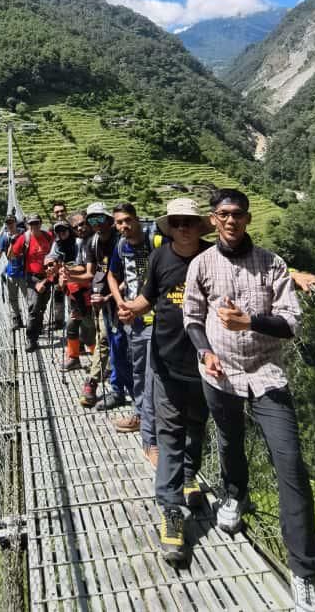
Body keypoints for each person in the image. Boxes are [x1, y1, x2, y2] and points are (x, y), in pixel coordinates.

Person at [183, 188, 315, 612]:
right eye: (224, 214)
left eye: (238, 214)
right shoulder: (201, 265)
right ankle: (235, 493)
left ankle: (303, 574)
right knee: (229, 441)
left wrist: (249, 321)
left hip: (266, 376)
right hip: (220, 374)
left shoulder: (273, 264)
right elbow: (192, 318)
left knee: (291, 465)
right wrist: (205, 351)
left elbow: (291, 322)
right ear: (213, 219)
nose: (231, 221)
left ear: (247, 219)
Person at [118, 198, 212, 566]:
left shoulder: (214, 257)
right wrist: (131, 309)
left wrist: (292, 275)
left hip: (206, 365)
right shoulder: (159, 258)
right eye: (177, 222)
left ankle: (190, 477)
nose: (183, 228)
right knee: (170, 434)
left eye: (189, 221)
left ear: (198, 226)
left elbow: (255, 269)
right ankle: (171, 511)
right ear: (169, 226)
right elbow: (147, 296)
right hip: (167, 360)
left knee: (198, 426)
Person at [107, 204, 157, 462]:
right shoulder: (120, 246)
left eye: (127, 221)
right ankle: (141, 416)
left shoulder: (154, 238)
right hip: (133, 319)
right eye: (119, 222)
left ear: (137, 219)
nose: (124, 226)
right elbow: (111, 276)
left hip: (159, 316)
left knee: (153, 372)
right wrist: (120, 303)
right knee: (138, 368)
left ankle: (153, 431)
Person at [79, 202, 119, 408]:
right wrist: (69, 276)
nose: (97, 223)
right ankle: (100, 382)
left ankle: (95, 383)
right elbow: (90, 273)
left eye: (100, 219)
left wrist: (110, 298)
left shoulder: (120, 242)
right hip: (101, 299)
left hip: (122, 300)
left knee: (109, 340)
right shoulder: (92, 242)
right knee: (103, 338)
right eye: (92, 220)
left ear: (110, 220)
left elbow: (131, 275)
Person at [10, 214, 54, 353]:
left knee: (42, 306)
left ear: (41, 223)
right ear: (28, 225)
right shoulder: (25, 238)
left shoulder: (48, 236)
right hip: (32, 278)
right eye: (31, 224)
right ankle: (31, 339)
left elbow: (56, 254)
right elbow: (12, 255)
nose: (34, 226)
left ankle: (38, 327)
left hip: (48, 276)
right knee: (34, 308)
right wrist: (11, 241)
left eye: (37, 223)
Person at [60, 211, 96, 370]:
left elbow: (91, 272)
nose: (80, 228)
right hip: (84, 291)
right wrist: (68, 271)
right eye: (76, 227)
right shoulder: (83, 242)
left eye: (82, 223)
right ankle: (74, 358)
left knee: (90, 332)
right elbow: (83, 266)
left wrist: (70, 277)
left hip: (94, 293)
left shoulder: (96, 240)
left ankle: (101, 364)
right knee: (72, 326)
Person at [0, 214, 26, 330]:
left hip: (25, 271)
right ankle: (17, 319)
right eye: (8, 223)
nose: (10, 225)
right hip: (11, 272)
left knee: (29, 297)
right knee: (13, 298)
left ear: (16, 222)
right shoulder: (4, 237)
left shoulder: (24, 234)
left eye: (12, 222)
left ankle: (34, 321)